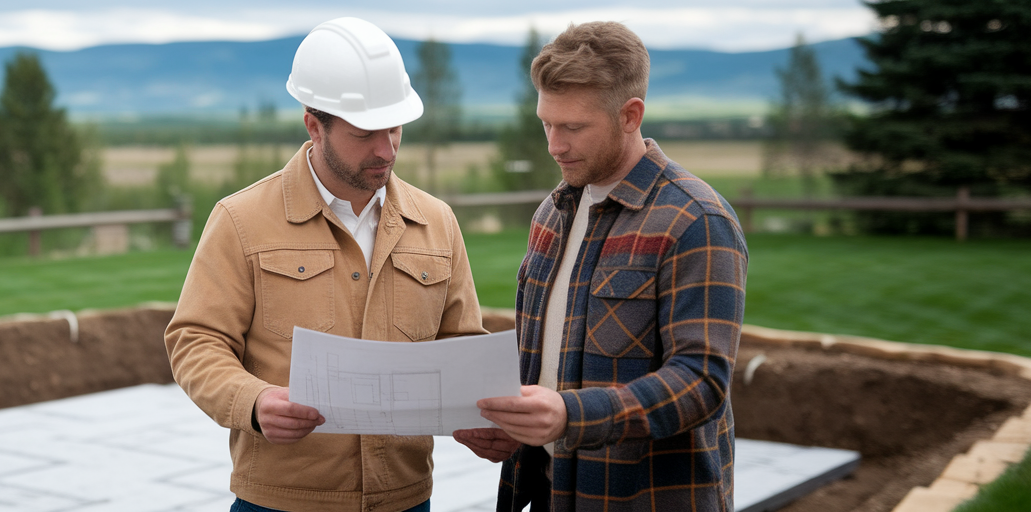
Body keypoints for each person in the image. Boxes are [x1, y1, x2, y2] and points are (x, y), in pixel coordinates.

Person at [164, 17, 487, 512]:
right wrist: (253, 402)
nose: (386, 149)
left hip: (406, 499)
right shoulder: (240, 220)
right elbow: (195, 340)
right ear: (314, 124)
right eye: (365, 133)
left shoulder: (437, 223)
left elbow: (459, 347)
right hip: (279, 503)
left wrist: (482, 416)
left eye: (395, 128)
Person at [452, 21, 748, 511]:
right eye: (546, 123)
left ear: (630, 115)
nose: (554, 145)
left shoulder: (696, 220)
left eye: (573, 127)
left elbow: (702, 381)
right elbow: (544, 364)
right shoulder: (552, 213)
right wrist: (511, 426)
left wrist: (570, 415)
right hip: (548, 492)